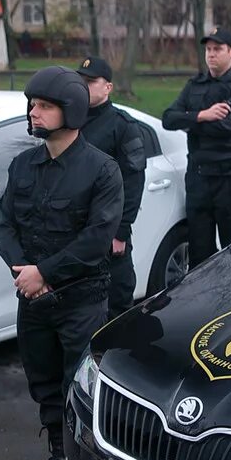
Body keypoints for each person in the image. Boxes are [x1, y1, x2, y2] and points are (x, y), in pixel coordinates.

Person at [0, 66, 122, 460]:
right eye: (32, 105)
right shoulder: (22, 165)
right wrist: (24, 274)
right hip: (32, 300)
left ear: (69, 110)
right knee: (44, 385)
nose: (34, 112)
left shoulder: (102, 170)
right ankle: (58, 458)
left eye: (44, 106)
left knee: (78, 391)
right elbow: (6, 226)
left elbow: (97, 238)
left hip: (80, 302)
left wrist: (45, 273)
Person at [161, 26, 231, 267]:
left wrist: (190, 122)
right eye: (208, 50)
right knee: (199, 250)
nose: (211, 54)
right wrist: (203, 115)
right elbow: (169, 118)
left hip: (229, 178)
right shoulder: (195, 85)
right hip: (199, 178)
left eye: (218, 49)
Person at [76, 55, 146, 316]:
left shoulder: (122, 126)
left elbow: (133, 180)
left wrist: (120, 231)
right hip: (76, 226)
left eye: (91, 81)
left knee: (117, 301)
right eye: (80, 80)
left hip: (109, 230)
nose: (84, 86)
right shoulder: (69, 119)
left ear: (108, 87)